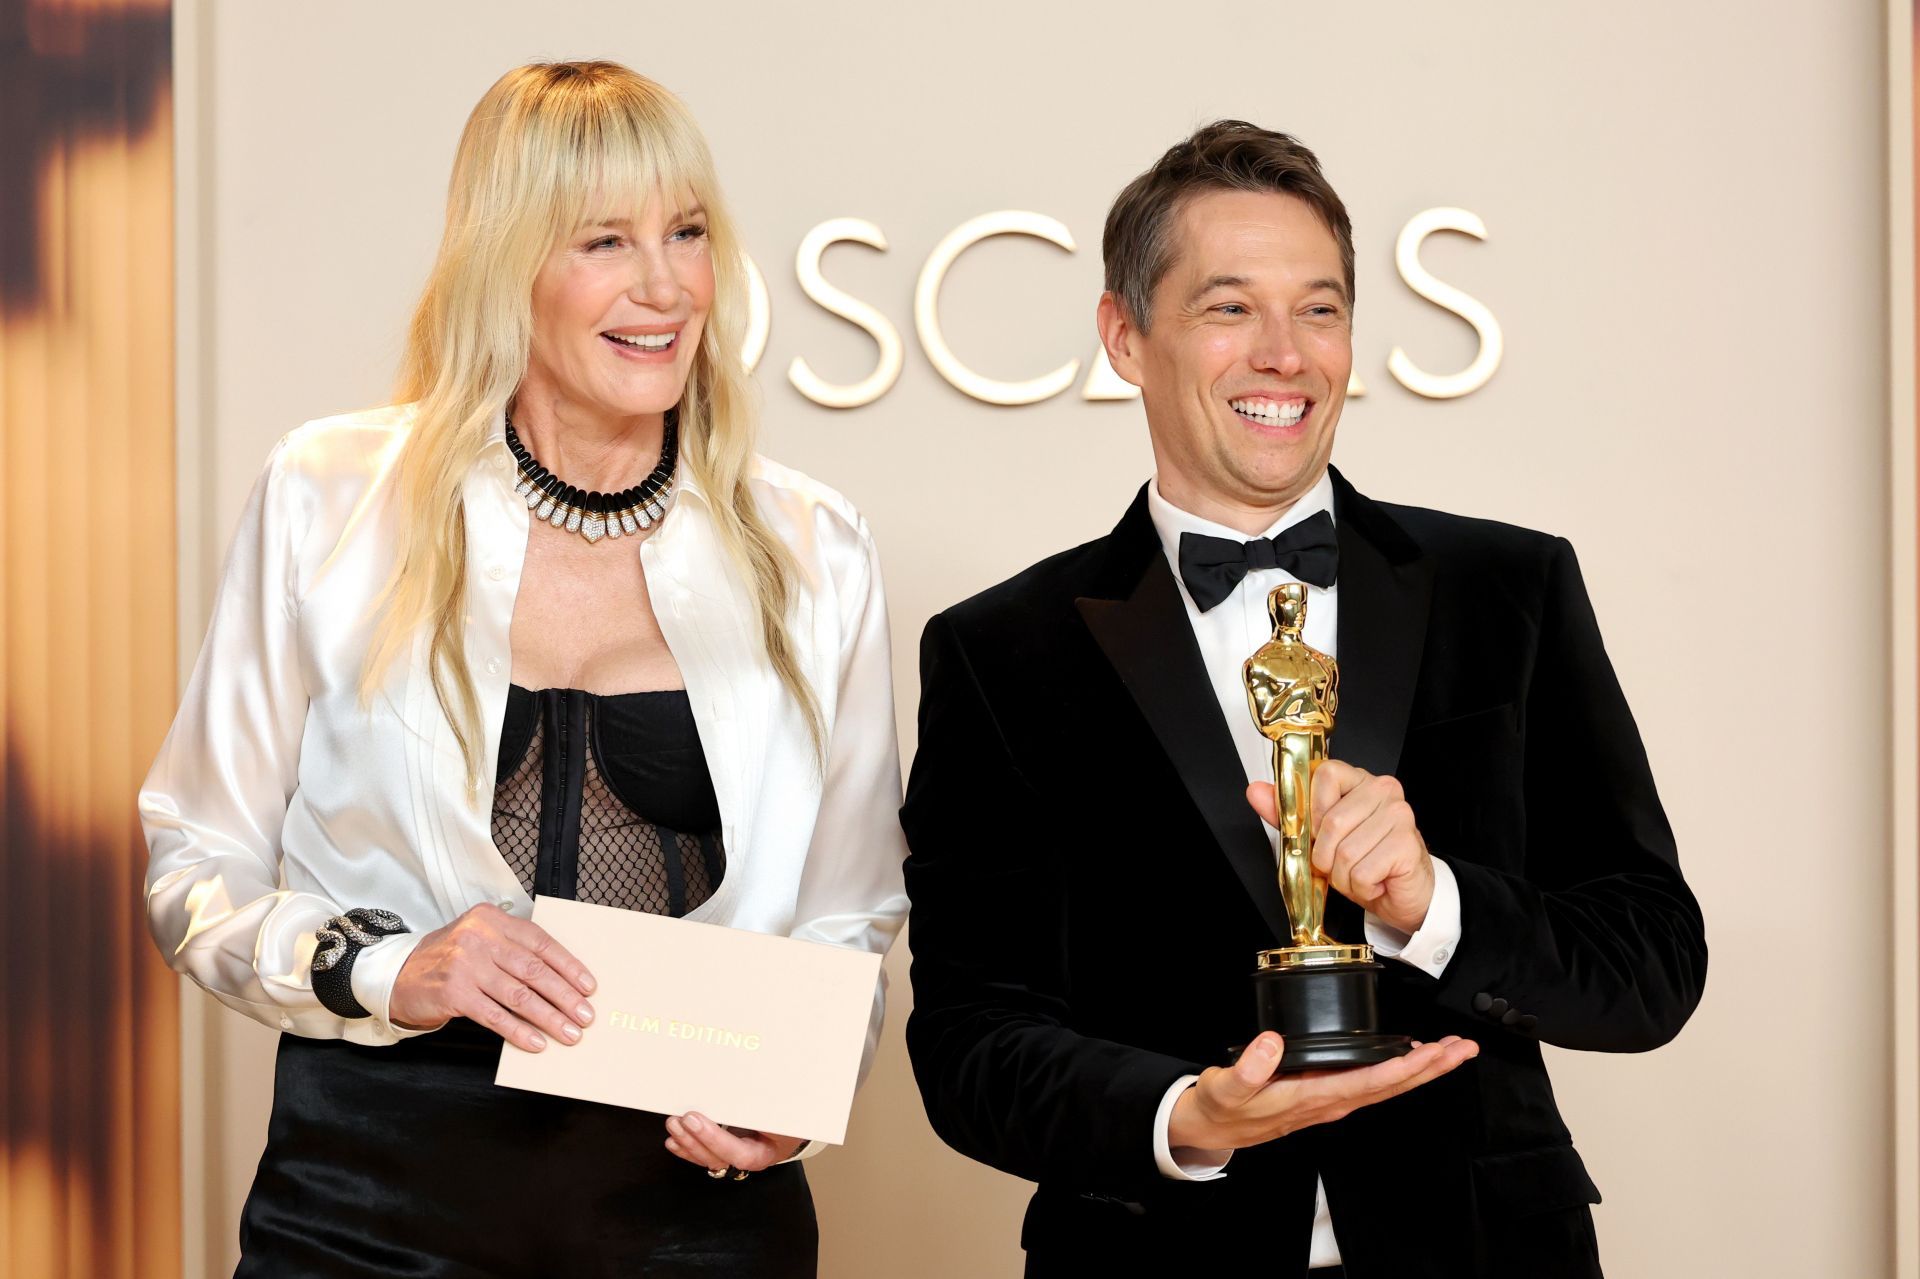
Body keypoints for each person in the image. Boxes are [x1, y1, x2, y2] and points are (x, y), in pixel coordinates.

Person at [900, 121, 1707, 1277]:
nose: (1284, 353)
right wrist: (1184, 1115)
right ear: (1125, 337)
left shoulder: (1511, 590)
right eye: (1230, 308)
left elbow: (1652, 963)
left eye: (1319, 310)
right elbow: (971, 1038)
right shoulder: (998, 650)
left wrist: (1434, 903)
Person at [140, 61, 907, 1278]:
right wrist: (396, 961)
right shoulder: (329, 500)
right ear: (508, 265)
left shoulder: (815, 548)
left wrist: (796, 1096)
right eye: (605, 239)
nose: (665, 285)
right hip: (367, 1199)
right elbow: (195, 862)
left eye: (689, 233)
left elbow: (849, 911)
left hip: (697, 1210)